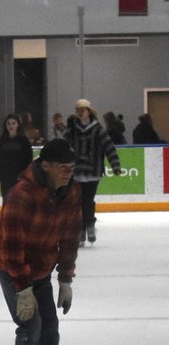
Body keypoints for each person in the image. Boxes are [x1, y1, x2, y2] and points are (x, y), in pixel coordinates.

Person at [0, 138, 82, 345]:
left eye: (71, 167)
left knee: (49, 326)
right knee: (31, 324)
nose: (67, 172)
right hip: (10, 264)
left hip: (41, 266)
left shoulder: (71, 193)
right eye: (62, 167)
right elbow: (11, 247)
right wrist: (22, 288)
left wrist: (65, 279)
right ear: (46, 165)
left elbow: (70, 238)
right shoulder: (22, 195)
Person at [65, 98, 122, 245]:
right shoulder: (74, 130)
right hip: (77, 171)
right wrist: (66, 128)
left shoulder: (98, 130)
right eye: (78, 110)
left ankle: (89, 224)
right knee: (77, 201)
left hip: (93, 171)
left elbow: (109, 147)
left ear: (89, 111)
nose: (80, 113)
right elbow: (66, 145)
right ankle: (81, 229)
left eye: (82, 110)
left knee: (88, 200)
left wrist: (115, 165)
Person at [0, 113, 33, 200]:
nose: (11, 125)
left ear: (18, 125)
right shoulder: (1, 142)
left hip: (20, 177)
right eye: (9, 123)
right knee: (7, 200)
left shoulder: (24, 141)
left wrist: (27, 176)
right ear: (6, 125)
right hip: (6, 178)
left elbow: (28, 160)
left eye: (13, 123)